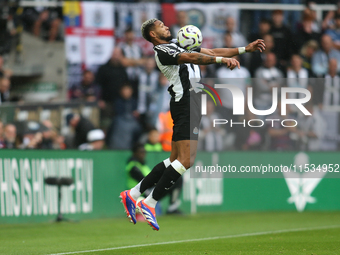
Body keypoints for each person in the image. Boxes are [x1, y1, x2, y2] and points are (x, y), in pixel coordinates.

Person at [120, 18, 265, 231]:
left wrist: (243, 49)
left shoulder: (175, 44)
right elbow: (193, 56)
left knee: (174, 160)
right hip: (186, 103)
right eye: (161, 26)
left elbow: (210, 50)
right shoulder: (162, 51)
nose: (166, 26)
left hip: (188, 104)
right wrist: (219, 62)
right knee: (186, 160)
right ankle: (149, 202)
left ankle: (132, 194)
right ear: (153, 34)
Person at [126, 144, 182, 216]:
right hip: (142, 195)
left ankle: (172, 207)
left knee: (176, 179)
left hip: (149, 191)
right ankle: (169, 209)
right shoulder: (133, 166)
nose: (143, 154)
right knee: (174, 180)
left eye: (144, 152)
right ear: (135, 153)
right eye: (141, 152)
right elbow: (145, 181)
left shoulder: (142, 165)